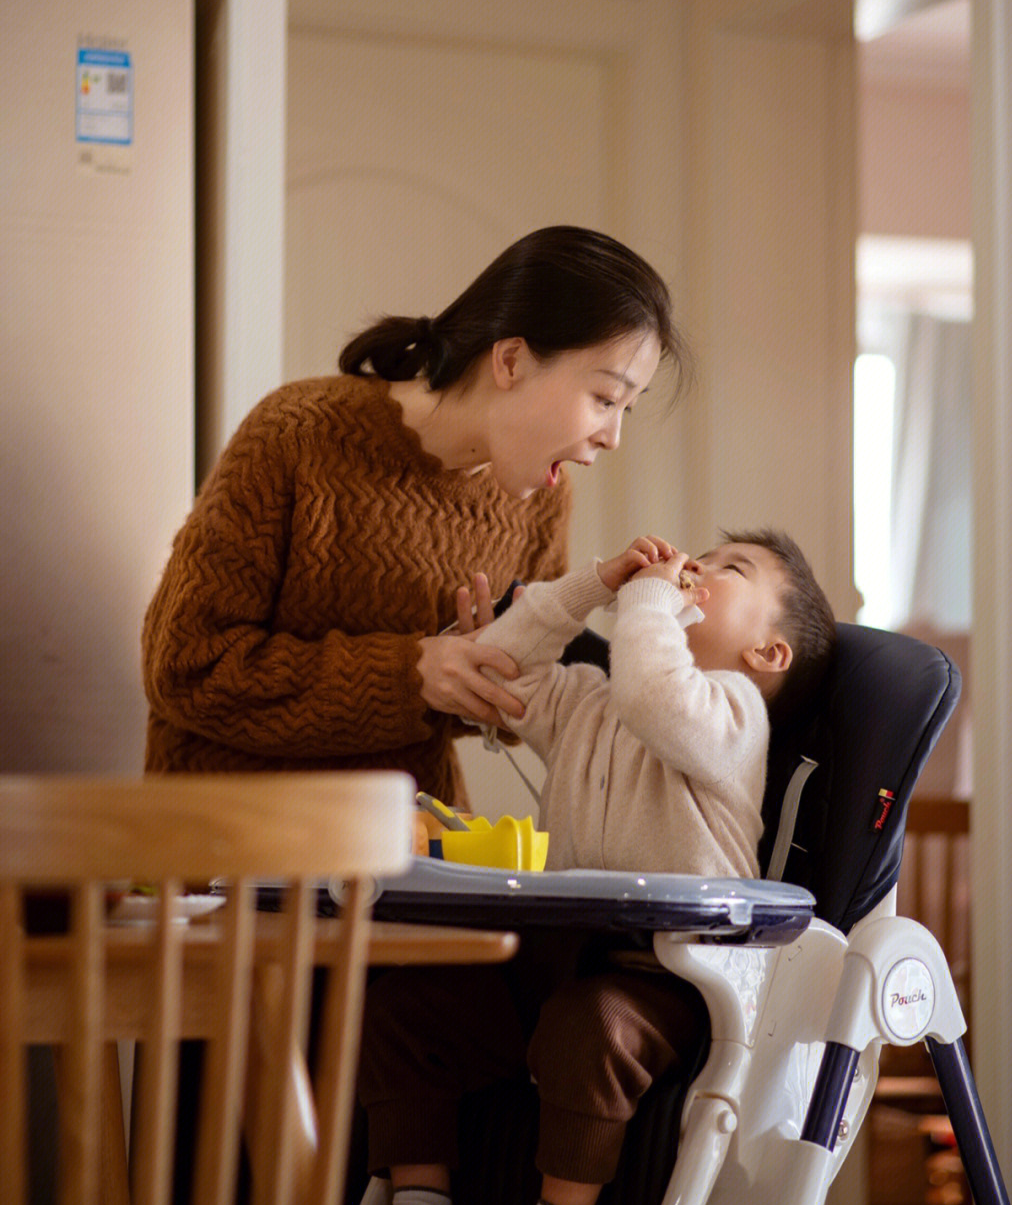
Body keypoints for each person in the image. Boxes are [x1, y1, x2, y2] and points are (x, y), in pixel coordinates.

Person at [349, 529, 836, 1205]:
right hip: (551, 965)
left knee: (594, 1025)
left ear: (768, 653)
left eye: (729, 569)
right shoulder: (590, 701)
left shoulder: (736, 717)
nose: (696, 567)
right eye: (698, 555)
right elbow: (499, 663)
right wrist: (591, 585)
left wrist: (645, 599)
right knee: (410, 1006)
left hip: (666, 977)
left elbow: (653, 693)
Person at [140, 226, 685, 805]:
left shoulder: (545, 500)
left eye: (628, 407)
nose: (614, 437)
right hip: (233, 860)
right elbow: (184, 666)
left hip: (411, 857)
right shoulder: (297, 436)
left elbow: (505, 709)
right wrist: (409, 674)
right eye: (605, 399)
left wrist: (494, 674)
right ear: (511, 360)